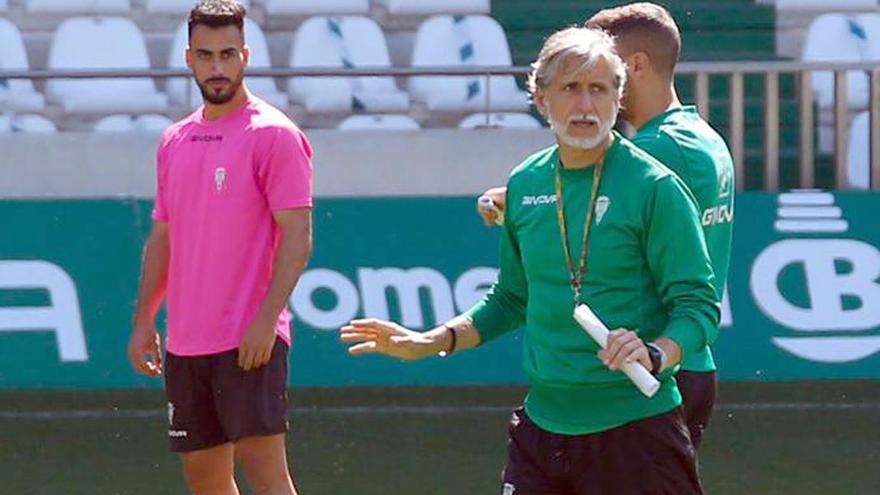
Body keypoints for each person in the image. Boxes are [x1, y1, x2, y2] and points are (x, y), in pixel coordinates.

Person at [340, 26, 718, 494]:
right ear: (541, 99)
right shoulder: (525, 183)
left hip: (636, 432)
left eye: (598, 89)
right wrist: (431, 341)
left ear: (618, 98)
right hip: (542, 431)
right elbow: (511, 298)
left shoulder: (654, 188)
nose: (585, 106)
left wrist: (656, 352)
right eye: (570, 88)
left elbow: (698, 307)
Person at [477, 2, 735, 450]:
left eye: (602, 66)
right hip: (684, 358)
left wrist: (515, 202)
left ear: (633, 67)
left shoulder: (654, 157)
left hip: (650, 368)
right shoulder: (702, 136)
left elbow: (586, 211)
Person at [126, 1, 312, 494]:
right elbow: (164, 236)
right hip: (186, 341)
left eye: (228, 54)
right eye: (206, 55)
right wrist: (145, 319)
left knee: (265, 472)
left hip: (249, 336)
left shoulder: (274, 135)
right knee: (204, 476)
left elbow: (298, 236)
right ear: (189, 58)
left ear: (245, 56)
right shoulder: (174, 140)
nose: (217, 67)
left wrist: (266, 319)